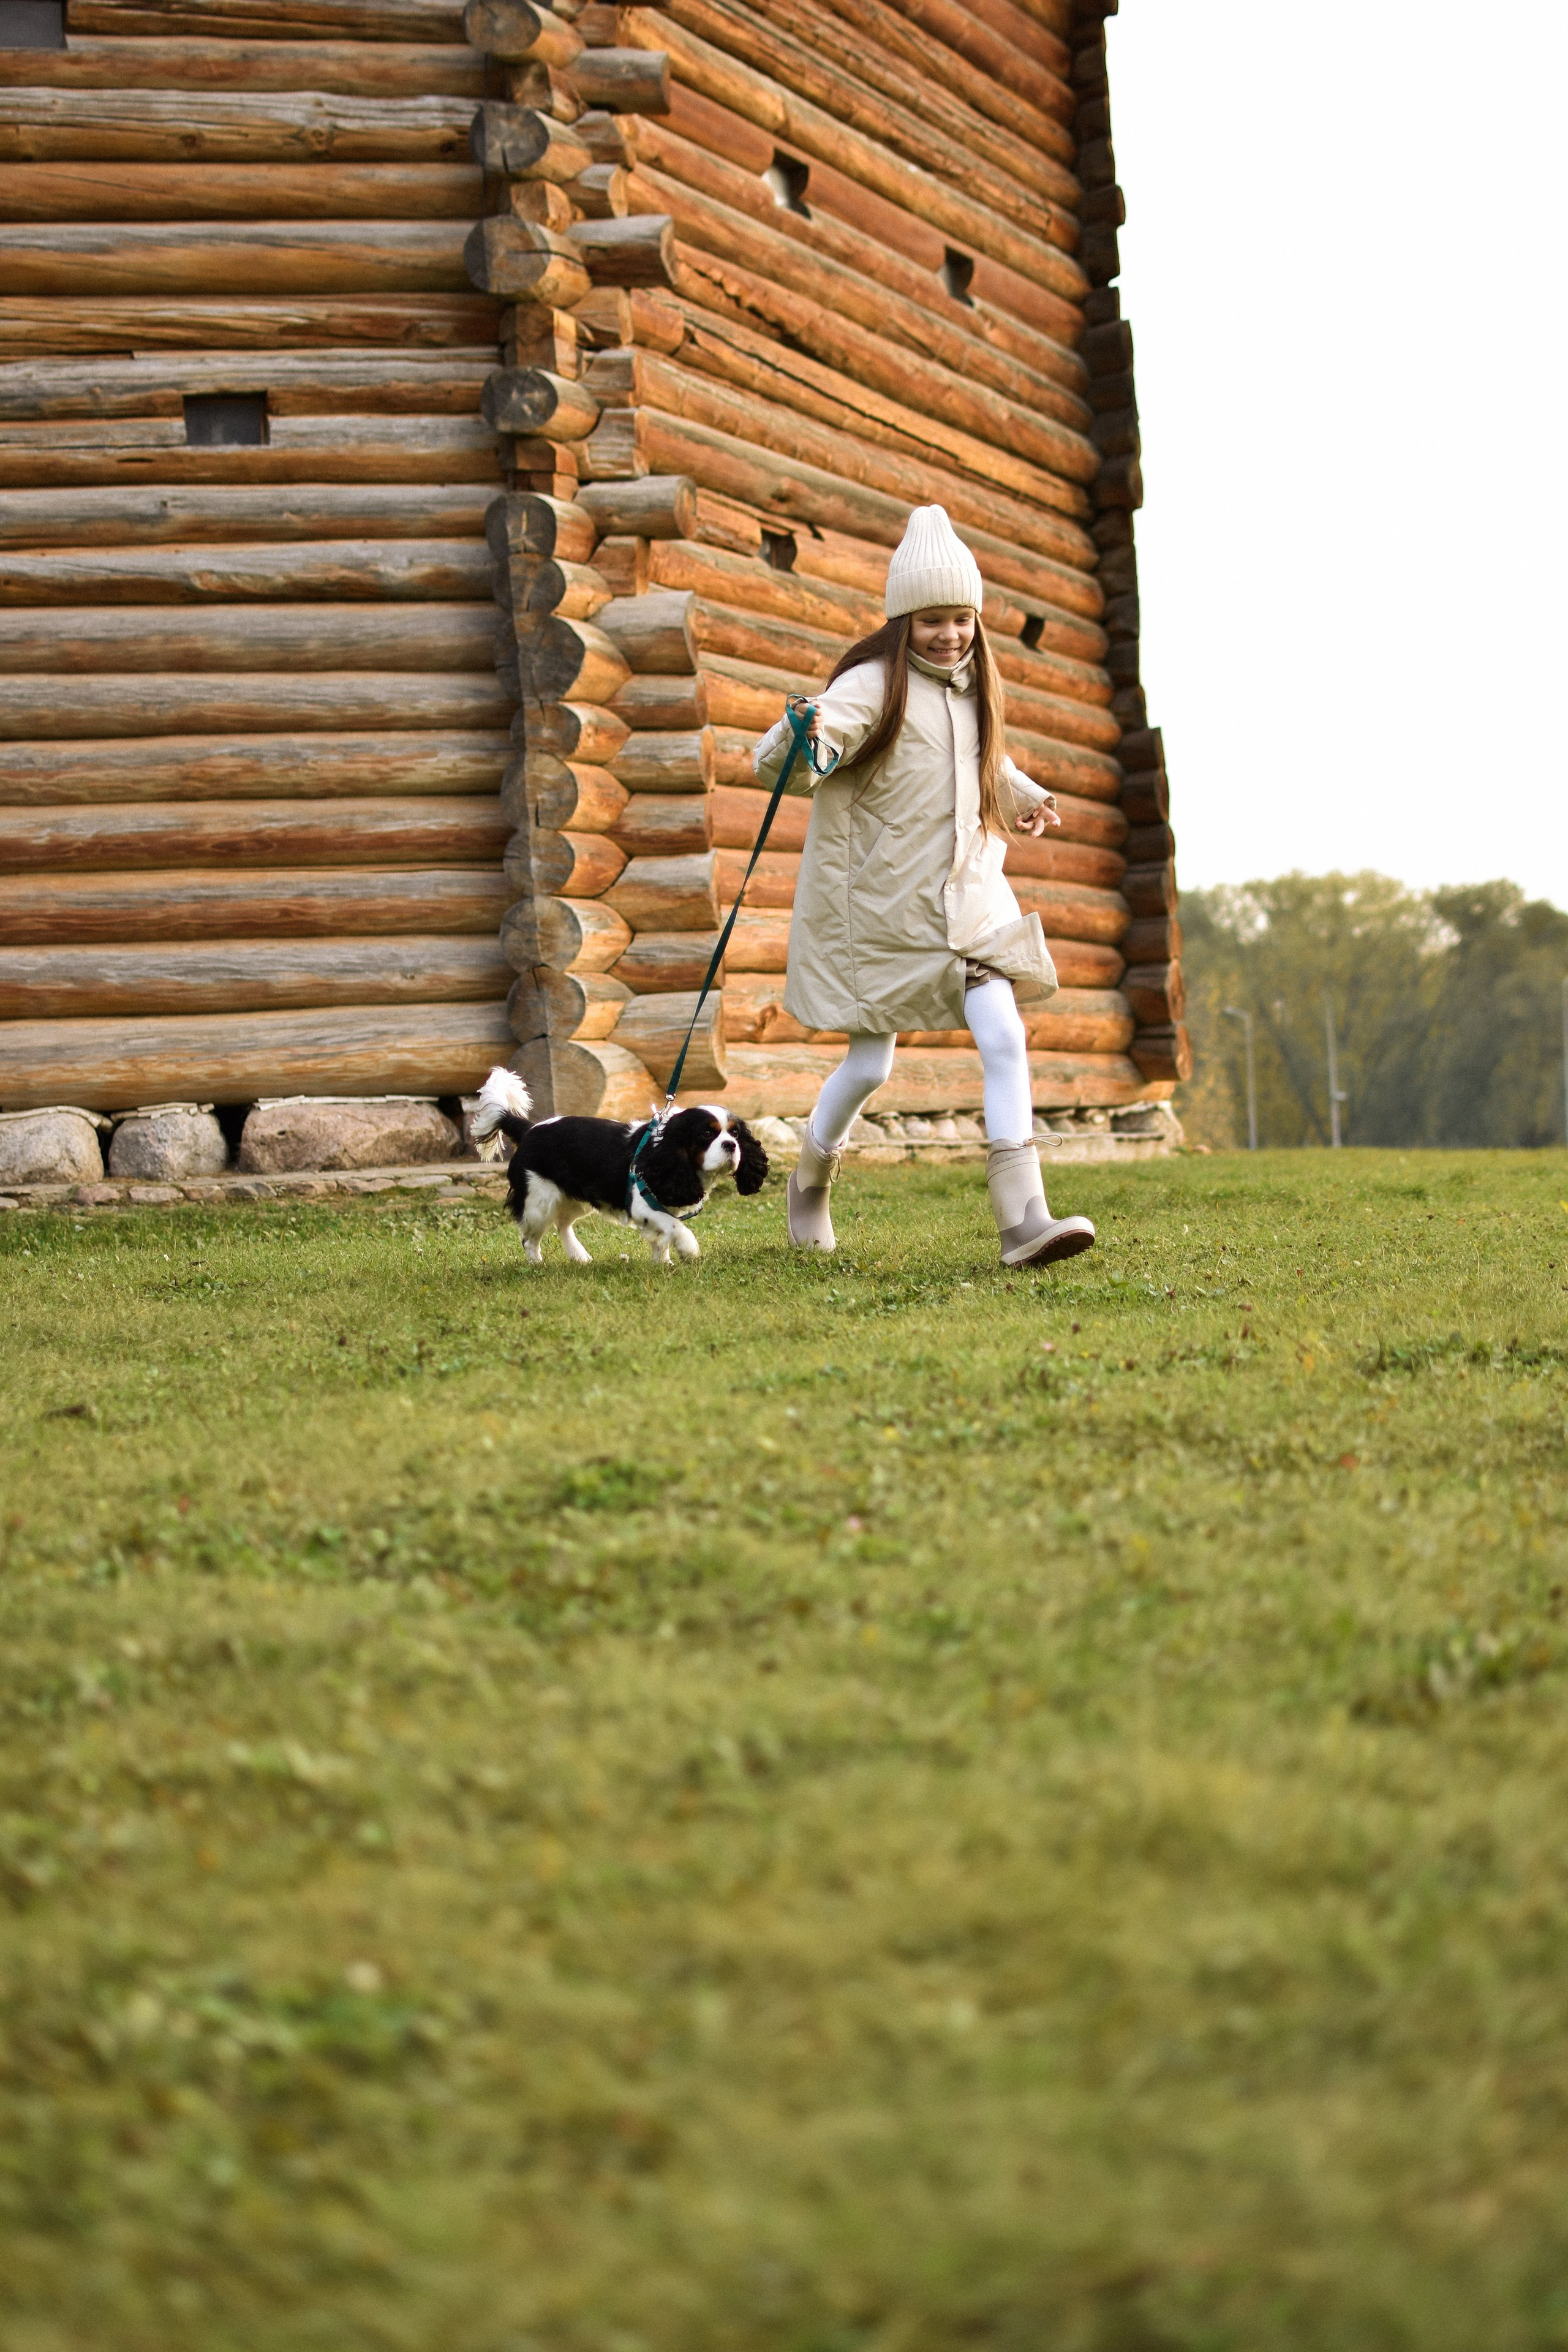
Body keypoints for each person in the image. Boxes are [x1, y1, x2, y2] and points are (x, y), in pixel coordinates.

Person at [751, 503, 1097, 1269]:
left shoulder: (978, 688)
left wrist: (1023, 797)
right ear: (905, 621)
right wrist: (799, 733)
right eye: (933, 619)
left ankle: (1023, 1220)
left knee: (1003, 1035)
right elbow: (797, 761)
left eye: (961, 618)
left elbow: (983, 765)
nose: (950, 634)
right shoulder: (875, 684)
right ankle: (810, 1182)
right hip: (881, 911)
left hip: (968, 903)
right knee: (870, 1067)